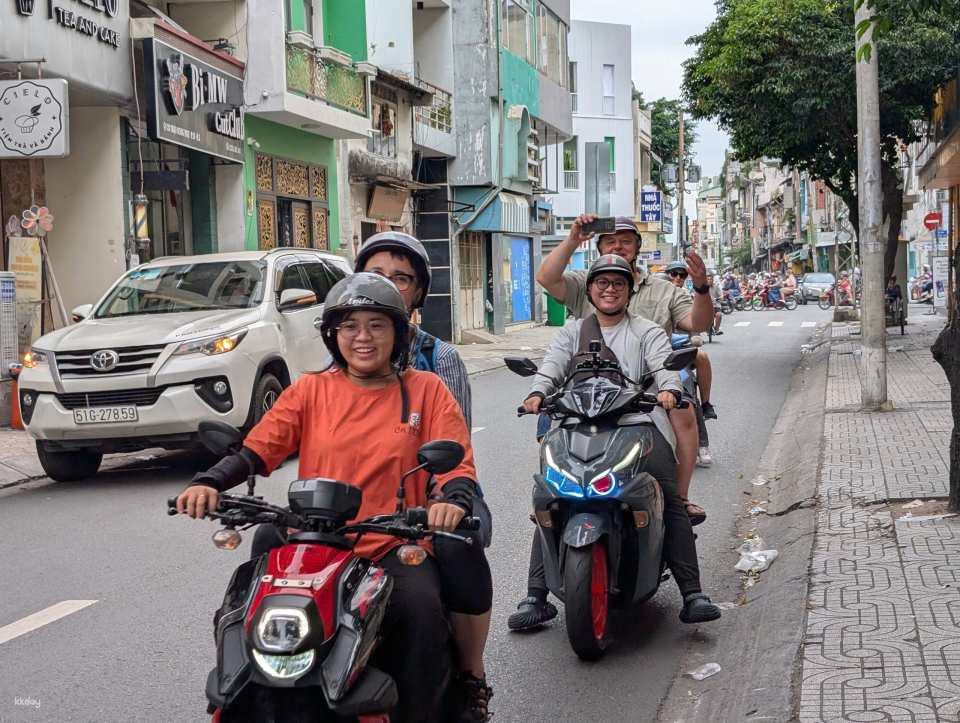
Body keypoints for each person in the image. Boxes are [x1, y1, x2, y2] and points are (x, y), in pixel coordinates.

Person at [176, 274, 493, 723]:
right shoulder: (311, 390)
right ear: (333, 334)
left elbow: (456, 464)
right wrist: (208, 482)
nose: (363, 337)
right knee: (243, 606)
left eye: (376, 325)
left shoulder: (426, 389)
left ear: (397, 334)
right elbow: (257, 449)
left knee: (419, 612)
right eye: (350, 326)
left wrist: (454, 500)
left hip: (390, 544)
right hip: (314, 545)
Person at [509, 255, 722, 630]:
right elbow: (551, 366)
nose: (610, 290)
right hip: (575, 425)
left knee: (669, 496)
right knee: (552, 496)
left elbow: (664, 365)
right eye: (602, 283)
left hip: (636, 424)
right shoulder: (572, 332)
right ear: (590, 289)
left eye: (618, 283)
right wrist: (537, 393)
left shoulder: (646, 331)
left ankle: (692, 593)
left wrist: (670, 390)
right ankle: (535, 596)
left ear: (628, 290)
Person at [354, 232, 492, 719]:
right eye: (375, 275)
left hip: (434, 498)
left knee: (457, 544)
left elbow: (455, 449)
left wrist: (445, 500)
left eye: (400, 278)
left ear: (417, 293)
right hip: (359, 507)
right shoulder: (339, 358)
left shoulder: (438, 362)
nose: (386, 285)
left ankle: (470, 675)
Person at [664, 262, 717, 466]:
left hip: (679, 351)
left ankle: (703, 436)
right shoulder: (656, 294)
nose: (677, 278)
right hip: (651, 354)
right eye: (673, 274)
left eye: (682, 275)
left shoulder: (686, 296)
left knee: (687, 392)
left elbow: (696, 323)